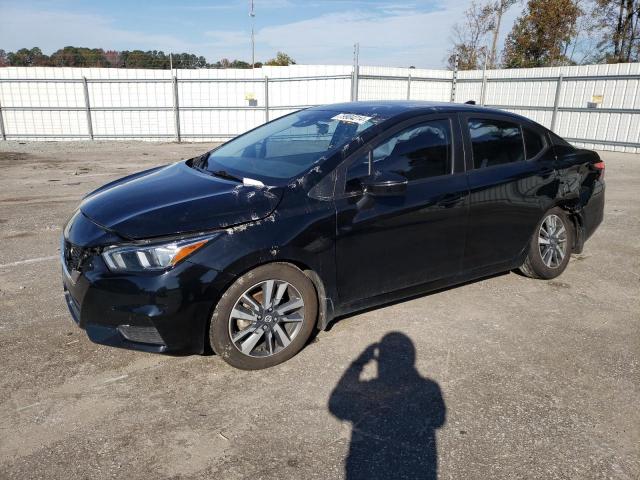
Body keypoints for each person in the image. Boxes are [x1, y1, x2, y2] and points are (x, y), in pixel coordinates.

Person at [329, 332, 446, 480]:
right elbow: (439, 420)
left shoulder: (370, 388)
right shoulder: (430, 386)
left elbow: (335, 405)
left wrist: (361, 360)